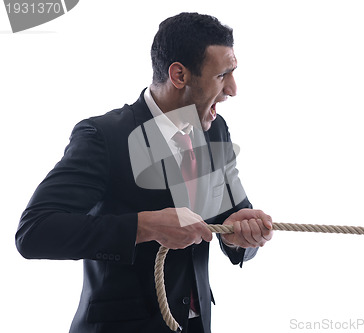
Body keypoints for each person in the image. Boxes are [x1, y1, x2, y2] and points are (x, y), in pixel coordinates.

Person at [15, 12, 273, 333]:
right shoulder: (103, 136)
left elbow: (233, 220)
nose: (233, 89)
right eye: (223, 75)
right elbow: (34, 233)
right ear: (179, 74)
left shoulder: (214, 128)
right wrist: (144, 226)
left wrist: (241, 239)